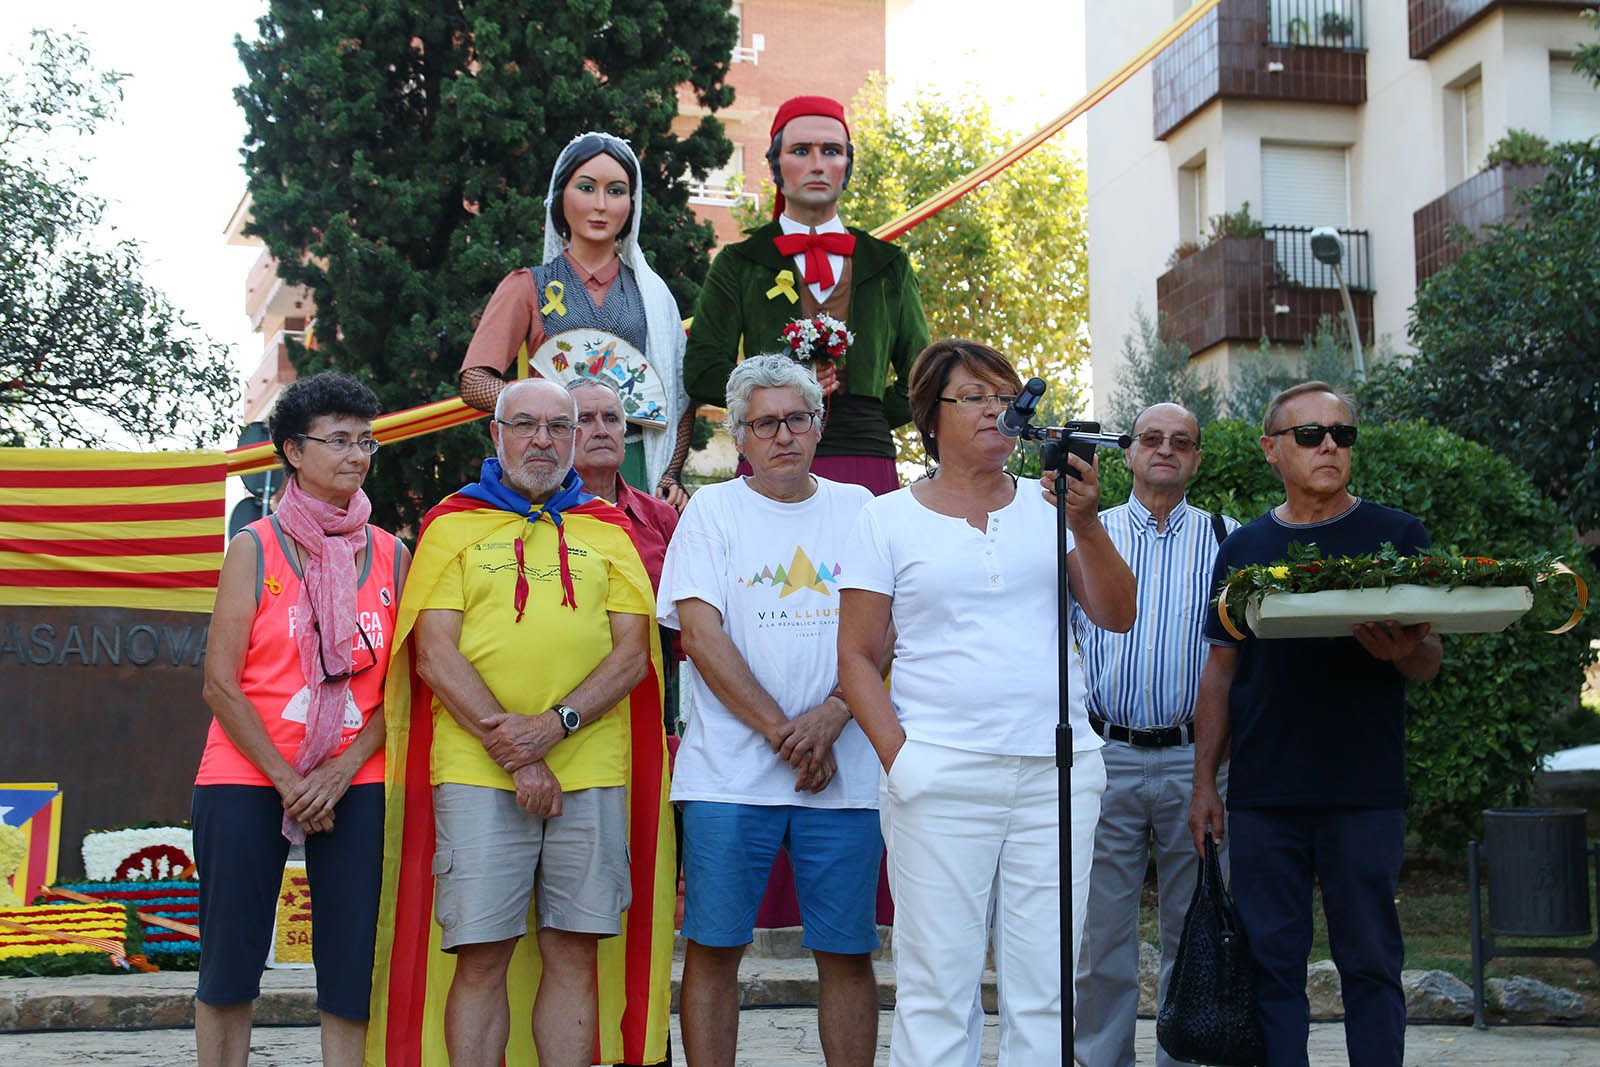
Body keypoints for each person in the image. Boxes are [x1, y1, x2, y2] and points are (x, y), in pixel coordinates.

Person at [837, 339, 1137, 1065]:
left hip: (1056, 775)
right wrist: (901, 761)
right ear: (929, 416)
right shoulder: (885, 518)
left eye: (1006, 396)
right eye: (974, 396)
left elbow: (1118, 613)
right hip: (939, 773)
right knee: (938, 986)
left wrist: (1088, 524)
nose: (997, 410)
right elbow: (855, 657)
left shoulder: (1053, 507)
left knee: (1045, 987)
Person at [366, 377, 676, 1066]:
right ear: (495, 434)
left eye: (557, 427)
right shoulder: (452, 524)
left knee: (575, 949)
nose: (542, 439)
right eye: (526, 424)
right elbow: (433, 654)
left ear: (575, 440)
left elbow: (633, 656)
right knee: (480, 952)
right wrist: (519, 751)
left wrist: (554, 727)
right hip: (478, 771)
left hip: (591, 770)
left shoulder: (608, 529)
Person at [1189, 381, 1442, 1067]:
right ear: (1272, 449)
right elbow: (1220, 671)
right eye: (1309, 434)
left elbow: (1428, 658)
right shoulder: (1245, 546)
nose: (1329, 444)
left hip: (1365, 791)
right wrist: (1205, 781)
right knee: (1271, 967)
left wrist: (1405, 649)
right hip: (1267, 794)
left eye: (1342, 433)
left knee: (1371, 963)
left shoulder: (1397, 534)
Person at [659, 353, 882, 1067]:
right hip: (728, 776)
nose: (782, 434)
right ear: (740, 436)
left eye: (796, 418)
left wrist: (834, 716)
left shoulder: (864, 511)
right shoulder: (712, 512)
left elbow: (890, 630)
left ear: (818, 426)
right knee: (715, 948)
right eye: (765, 422)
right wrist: (789, 734)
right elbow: (700, 635)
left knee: (847, 953)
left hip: (845, 775)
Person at [193, 372, 409, 1067]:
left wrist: (340, 770)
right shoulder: (252, 547)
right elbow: (221, 684)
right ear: (292, 449)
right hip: (248, 771)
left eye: (364, 441)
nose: (356, 455)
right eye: (338, 439)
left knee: (351, 965)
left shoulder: (391, 553)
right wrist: (291, 779)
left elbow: (402, 685)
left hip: (358, 775)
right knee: (230, 960)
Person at [1070, 403, 1237, 1067]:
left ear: (1196, 458)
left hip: (1200, 761)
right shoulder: (1086, 534)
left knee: (1193, 927)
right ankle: (1100, 1059)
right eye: (1152, 438)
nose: (1165, 449)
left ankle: (1186, 1057)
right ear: (1129, 453)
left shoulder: (1232, 539)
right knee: (1099, 935)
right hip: (1105, 755)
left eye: (1181, 441)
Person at [682, 94, 930, 496]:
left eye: (831, 151)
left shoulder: (888, 264)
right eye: (801, 150)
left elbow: (924, 376)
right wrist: (772, 390)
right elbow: (702, 370)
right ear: (775, 164)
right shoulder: (739, 262)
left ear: (847, 164)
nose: (817, 164)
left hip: (863, 455)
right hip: (768, 458)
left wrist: (871, 413)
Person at [459, 131, 692, 510]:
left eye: (615, 191)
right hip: (549, 463)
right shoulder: (526, 285)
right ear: (560, 198)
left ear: (632, 204)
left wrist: (669, 474)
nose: (600, 204)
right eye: (586, 187)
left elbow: (677, 396)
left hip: (633, 466)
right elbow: (474, 380)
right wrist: (544, 407)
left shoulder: (654, 294)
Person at [567, 375, 679, 591]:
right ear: (561, 434)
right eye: (585, 419)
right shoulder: (541, 513)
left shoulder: (661, 516)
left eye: (611, 419)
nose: (602, 431)